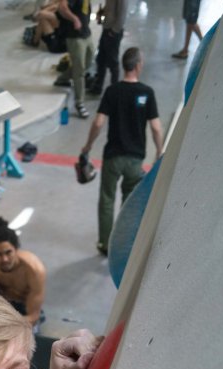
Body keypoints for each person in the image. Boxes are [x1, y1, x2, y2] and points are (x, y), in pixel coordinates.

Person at [78, 46, 162, 255]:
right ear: (138, 65)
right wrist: (159, 153)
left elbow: (98, 122)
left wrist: (88, 146)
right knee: (129, 203)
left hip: (112, 157)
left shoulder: (112, 91)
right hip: (135, 159)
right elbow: (155, 127)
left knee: (106, 199)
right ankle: (122, 246)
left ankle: (104, 244)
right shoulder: (146, 92)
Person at [0, 217, 47, 327]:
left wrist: (2, 326)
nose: (4, 259)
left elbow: (33, 316)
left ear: (16, 249)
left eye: (8, 252)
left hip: (26, 308)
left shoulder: (34, 269)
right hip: (4, 302)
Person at [58, 0, 94, 119]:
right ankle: (79, 103)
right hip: (75, 36)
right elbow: (62, 7)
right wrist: (74, 19)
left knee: (88, 61)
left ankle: (63, 78)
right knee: (79, 71)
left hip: (86, 32)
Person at [88, 0, 127, 95]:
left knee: (113, 62)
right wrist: (102, 13)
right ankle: (98, 86)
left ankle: (115, 89)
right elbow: (109, 7)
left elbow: (122, 13)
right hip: (107, 29)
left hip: (113, 32)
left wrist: (114, 31)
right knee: (101, 59)